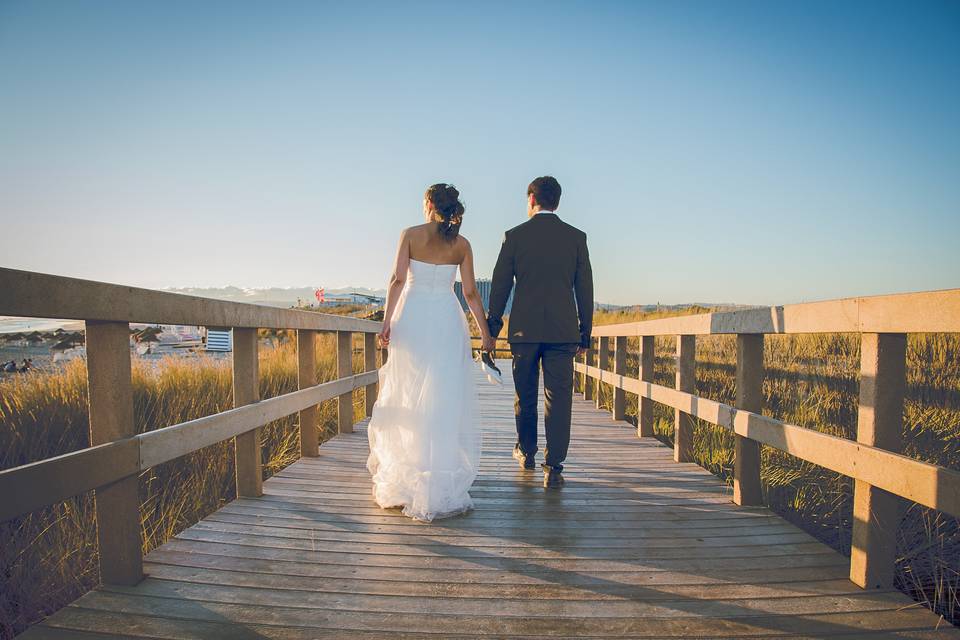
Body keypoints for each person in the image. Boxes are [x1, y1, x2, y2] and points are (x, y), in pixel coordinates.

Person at [366, 183, 492, 522]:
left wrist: (387, 322)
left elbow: (396, 280)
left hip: (414, 316)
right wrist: (485, 332)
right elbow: (470, 293)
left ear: (429, 203)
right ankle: (436, 475)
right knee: (442, 395)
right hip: (446, 320)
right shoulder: (461, 244)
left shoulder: (410, 234)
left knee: (407, 390)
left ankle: (408, 474)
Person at [487, 176, 593, 489]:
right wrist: (584, 332)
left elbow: (500, 286)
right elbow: (584, 288)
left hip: (524, 331)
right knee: (559, 399)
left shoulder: (514, 236)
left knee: (526, 395)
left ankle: (527, 451)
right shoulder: (576, 237)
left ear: (532, 199)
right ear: (556, 201)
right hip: (563, 332)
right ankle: (554, 467)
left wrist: (493, 327)